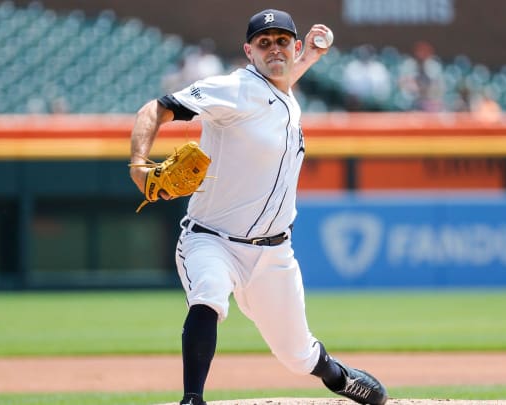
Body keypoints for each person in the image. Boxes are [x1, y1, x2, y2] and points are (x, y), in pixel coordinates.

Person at [129, 9, 388, 405]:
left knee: (299, 355)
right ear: (248, 52)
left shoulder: (282, 93)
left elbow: (275, 89)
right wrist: (138, 164)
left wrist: (309, 60)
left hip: (273, 255)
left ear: (294, 47)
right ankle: (192, 398)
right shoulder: (232, 89)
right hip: (211, 239)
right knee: (209, 295)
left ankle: (339, 376)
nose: (274, 49)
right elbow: (155, 109)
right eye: (264, 43)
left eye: (282, 41)